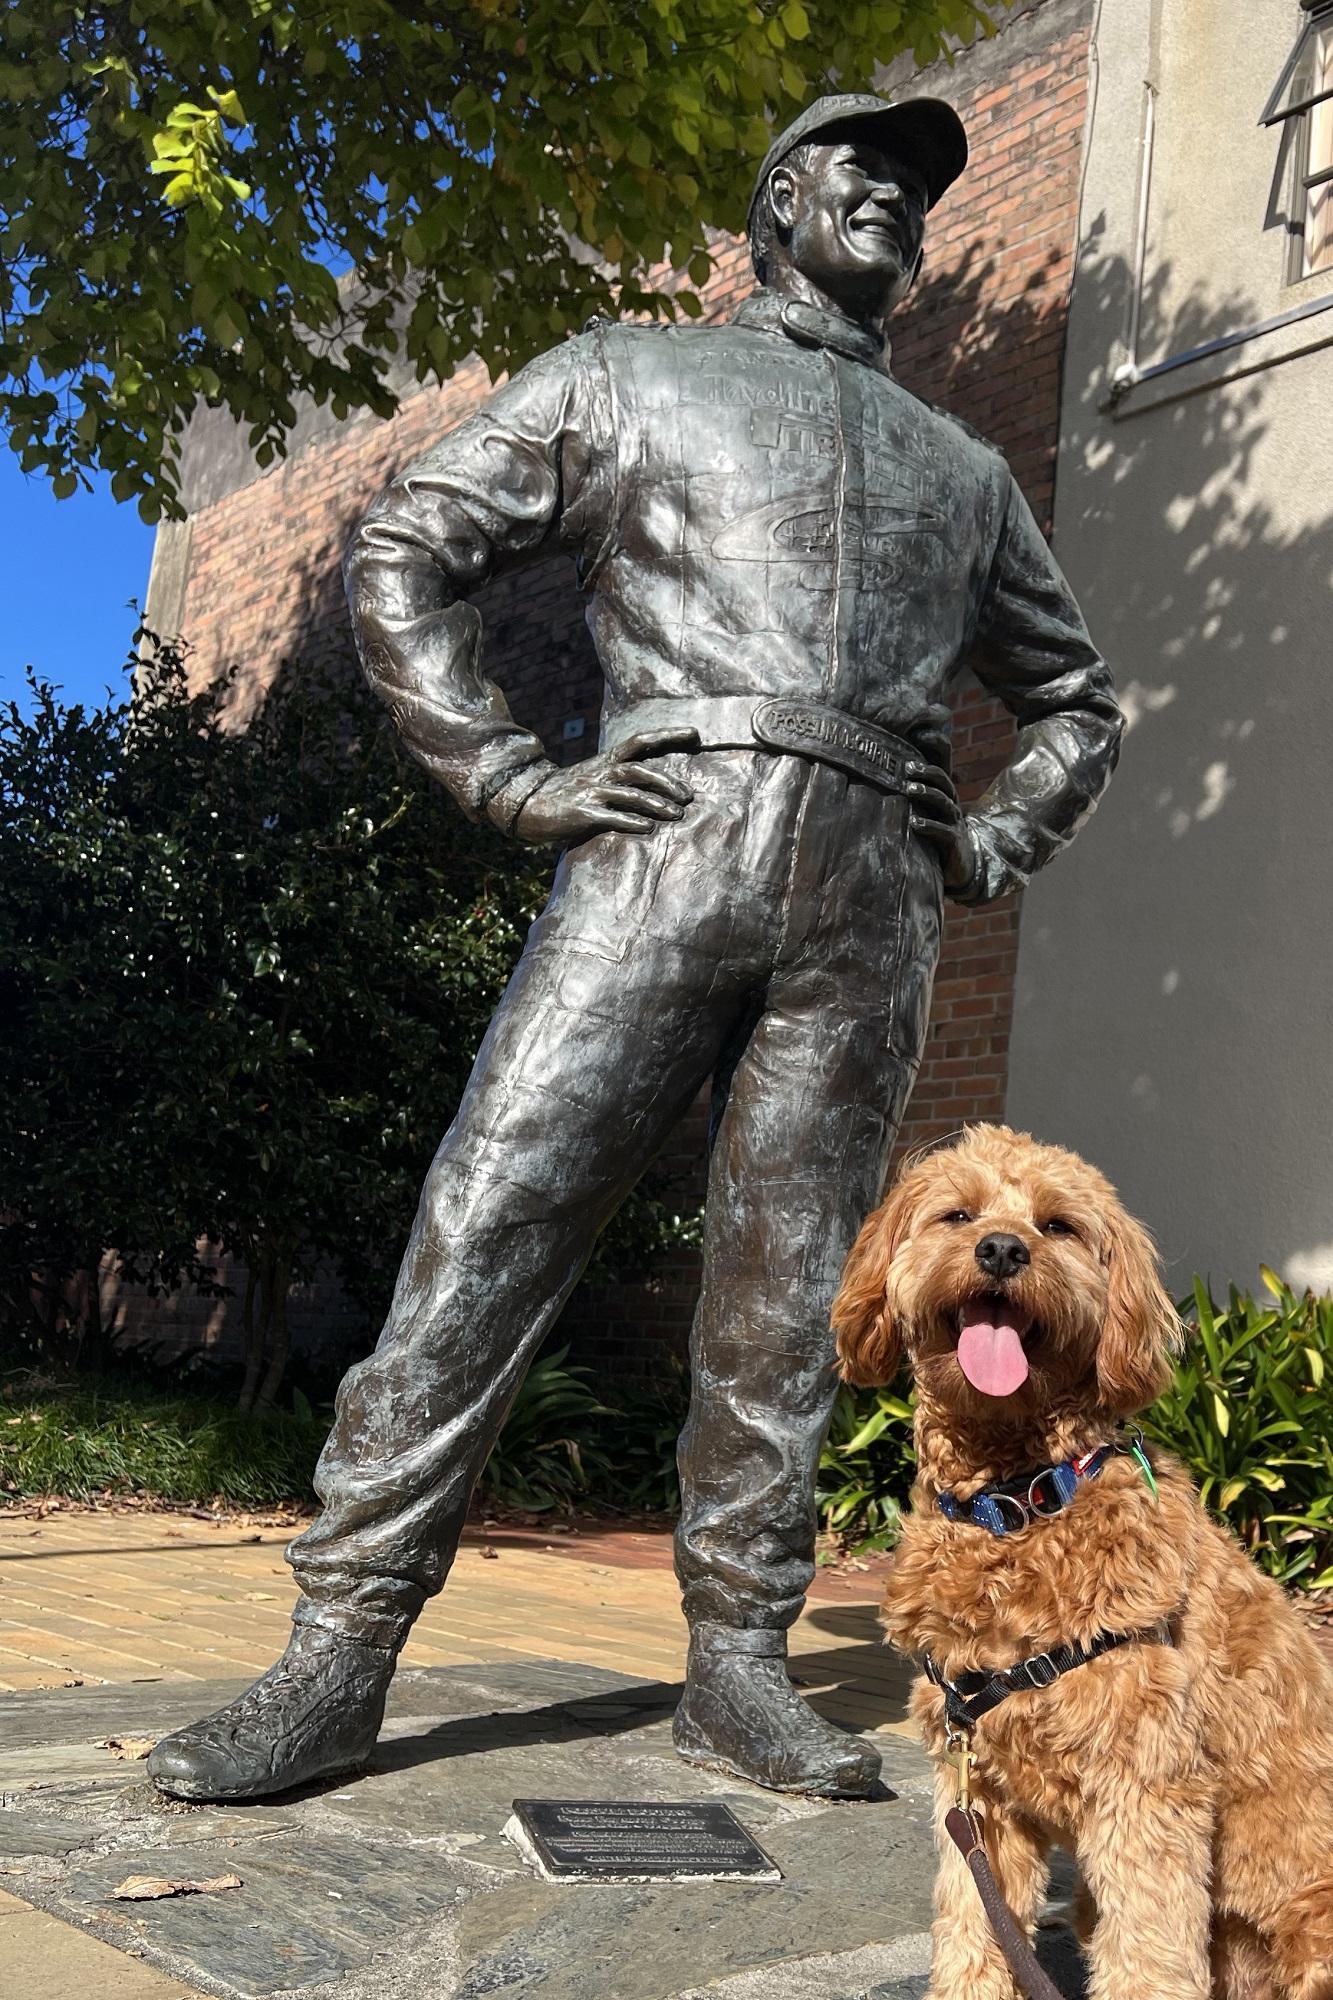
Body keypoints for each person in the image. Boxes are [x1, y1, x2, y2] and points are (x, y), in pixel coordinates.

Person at [149, 91, 1123, 1805]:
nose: (892, 200)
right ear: (775, 201)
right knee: (493, 1216)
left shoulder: (961, 473)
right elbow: (405, 547)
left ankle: (738, 1663)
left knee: (787, 1289)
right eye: (859, 170)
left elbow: (1074, 700)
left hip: (870, 894)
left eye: (915, 187)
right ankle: (340, 1648)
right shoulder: (634, 372)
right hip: (659, 847)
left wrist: (988, 841)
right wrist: (509, 772)